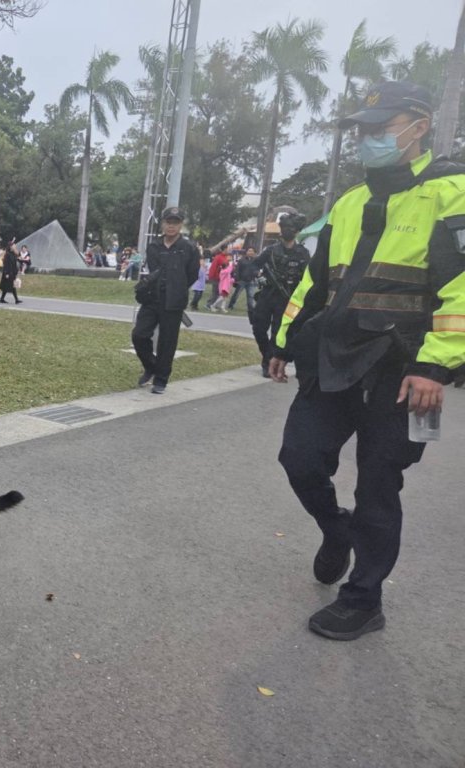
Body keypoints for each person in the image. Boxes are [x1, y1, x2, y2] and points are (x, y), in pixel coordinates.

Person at [269, 81, 465, 641]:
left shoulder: (451, 192)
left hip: (404, 370)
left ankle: (363, 599)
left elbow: (461, 288)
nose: (367, 139)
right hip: (334, 357)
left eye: (380, 128)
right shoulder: (350, 202)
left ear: (419, 127)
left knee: (379, 485)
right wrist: (283, 341)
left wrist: (435, 367)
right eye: (362, 130)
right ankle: (337, 529)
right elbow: (315, 282)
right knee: (300, 459)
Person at [131, 206, 201, 394]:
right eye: (168, 222)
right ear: (162, 223)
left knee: (167, 342)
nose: (171, 226)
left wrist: (177, 287)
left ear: (181, 225)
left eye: (175, 223)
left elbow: (192, 275)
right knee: (139, 335)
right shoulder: (154, 246)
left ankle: (161, 379)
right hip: (152, 299)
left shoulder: (189, 248)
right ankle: (151, 366)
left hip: (173, 300)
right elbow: (153, 270)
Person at [249, 212, 311, 377]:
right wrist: (259, 276)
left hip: (287, 298)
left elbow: (308, 277)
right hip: (267, 295)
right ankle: (268, 356)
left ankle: (268, 363)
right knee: (258, 328)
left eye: (290, 228)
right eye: (284, 227)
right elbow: (253, 266)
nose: (286, 230)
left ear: (297, 231)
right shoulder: (270, 251)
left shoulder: (303, 253)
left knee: (278, 333)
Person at [228, 246, 260, 314]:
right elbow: (237, 270)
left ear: (254, 252)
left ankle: (250, 309)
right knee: (236, 294)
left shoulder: (256, 261)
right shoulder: (242, 260)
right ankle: (230, 305)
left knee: (251, 296)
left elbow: (257, 270)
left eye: (252, 251)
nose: (250, 252)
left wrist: (257, 274)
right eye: (249, 251)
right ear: (246, 252)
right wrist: (237, 279)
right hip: (242, 280)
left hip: (251, 281)